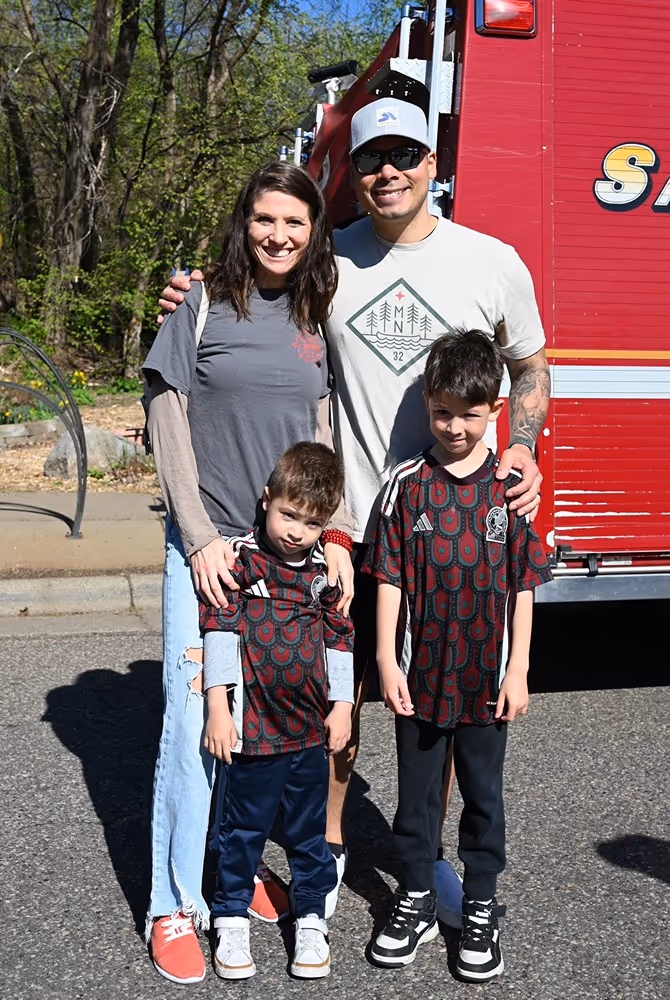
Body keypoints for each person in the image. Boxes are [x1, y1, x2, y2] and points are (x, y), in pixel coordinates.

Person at [158, 97, 551, 917]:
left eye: (406, 155)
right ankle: (327, 847)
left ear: (433, 165)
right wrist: (185, 295)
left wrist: (522, 446)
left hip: (447, 528)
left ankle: (429, 859)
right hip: (342, 526)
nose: (389, 171)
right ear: (356, 176)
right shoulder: (327, 262)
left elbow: (530, 364)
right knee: (334, 689)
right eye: (373, 160)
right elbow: (256, 298)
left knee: (437, 700)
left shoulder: (490, 260)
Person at [142, 162, 354, 985]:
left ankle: (231, 869)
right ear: (246, 221)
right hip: (213, 546)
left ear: (312, 232)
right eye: (266, 220)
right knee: (195, 729)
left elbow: (325, 425)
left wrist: (332, 531)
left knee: (266, 725)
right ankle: (173, 903)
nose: (279, 236)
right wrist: (198, 539)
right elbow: (166, 416)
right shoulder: (198, 303)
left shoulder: (315, 311)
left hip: (293, 553)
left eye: (295, 223)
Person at [365, 330, 553, 981]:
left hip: (486, 683)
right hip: (417, 679)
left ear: (494, 411)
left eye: (469, 414)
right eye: (442, 410)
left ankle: (479, 905)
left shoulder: (512, 490)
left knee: (483, 800)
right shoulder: (405, 486)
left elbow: (524, 586)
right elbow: (389, 579)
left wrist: (519, 667)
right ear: (427, 402)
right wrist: (387, 661)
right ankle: (416, 895)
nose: (454, 426)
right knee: (416, 802)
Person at [200, 442, 354, 980]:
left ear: (325, 525)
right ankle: (231, 915)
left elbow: (340, 638)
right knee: (242, 831)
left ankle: (311, 917)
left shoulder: (325, 577)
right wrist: (218, 707)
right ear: (267, 499)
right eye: (287, 514)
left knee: (309, 836)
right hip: (254, 730)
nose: (295, 531)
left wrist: (343, 705)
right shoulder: (241, 562)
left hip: (309, 732)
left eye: (311, 524)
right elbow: (219, 628)